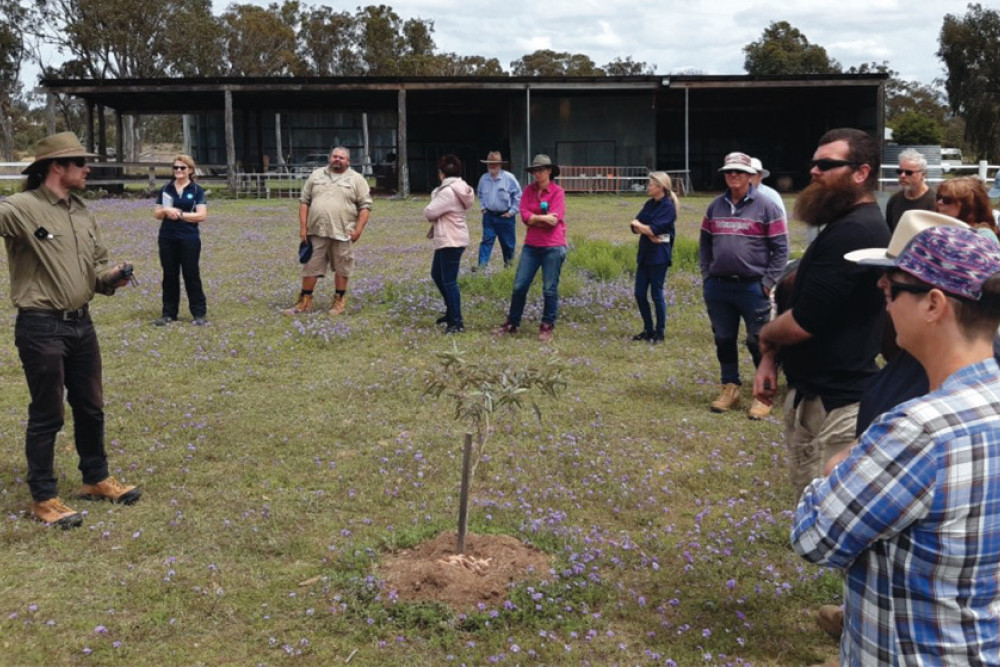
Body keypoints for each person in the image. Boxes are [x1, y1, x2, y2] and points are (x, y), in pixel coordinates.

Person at [791, 224, 1000, 665]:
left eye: (894, 286)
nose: (882, 293)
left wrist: (840, 465)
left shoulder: (919, 432)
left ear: (934, 304)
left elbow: (815, 537)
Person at [0, 132, 142, 528]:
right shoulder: (22, 208)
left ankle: (95, 479)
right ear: (56, 167)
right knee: (47, 413)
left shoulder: (81, 210)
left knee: (91, 406)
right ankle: (44, 498)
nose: (87, 168)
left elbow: (95, 271)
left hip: (82, 324)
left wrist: (111, 277)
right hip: (41, 326)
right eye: (80, 162)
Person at [755, 128, 891, 496]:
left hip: (838, 404)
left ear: (861, 173)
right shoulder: (841, 227)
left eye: (827, 164)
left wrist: (765, 338)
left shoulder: (857, 232)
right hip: (814, 393)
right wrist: (770, 359)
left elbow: (803, 322)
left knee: (828, 513)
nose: (814, 171)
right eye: (814, 163)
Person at [699, 151, 788, 418]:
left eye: (739, 171)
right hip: (719, 286)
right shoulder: (715, 206)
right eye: (729, 172)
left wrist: (768, 282)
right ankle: (730, 387)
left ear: (751, 176)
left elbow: (780, 248)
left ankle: (764, 395)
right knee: (723, 339)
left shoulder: (767, 206)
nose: (733, 176)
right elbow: (705, 243)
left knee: (758, 341)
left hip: (753, 286)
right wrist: (707, 275)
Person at [282, 146, 373, 315]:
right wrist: (303, 228)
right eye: (335, 156)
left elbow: (365, 206)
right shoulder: (316, 175)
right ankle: (304, 302)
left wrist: (358, 231)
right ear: (330, 158)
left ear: (348, 161)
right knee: (310, 267)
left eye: (342, 157)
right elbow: (304, 201)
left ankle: (339, 301)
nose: (337, 159)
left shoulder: (357, 179)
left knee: (342, 268)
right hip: (316, 232)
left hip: (343, 232)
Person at [494, 154, 566, 342]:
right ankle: (512, 322)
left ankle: (547, 325)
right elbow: (525, 216)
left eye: (541, 170)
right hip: (532, 245)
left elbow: (554, 220)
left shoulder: (558, 192)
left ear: (549, 171)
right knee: (519, 286)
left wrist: (536, 219)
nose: (537, 174)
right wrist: (540, 218)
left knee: (549, 288)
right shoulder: (528, 191)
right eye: (535, 171)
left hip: (553, 246)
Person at [152, 154, 208, 326]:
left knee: (191, 274)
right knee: (169, 275)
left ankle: (199, 313)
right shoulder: (166, 189)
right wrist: (166, 212)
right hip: (167, 237)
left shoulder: (197, 190)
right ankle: (169, 313)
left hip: (188, 238)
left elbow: (201, 215)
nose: (178, 171)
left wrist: (181, 214)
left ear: (190, 170)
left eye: (182, 168)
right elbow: (156, 213)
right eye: (175, 168)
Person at [423, 154, 474, 333]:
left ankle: (456, 322)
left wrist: (434, 195)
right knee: (437, 274)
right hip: (452, 239)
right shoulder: (462, 188)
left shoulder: (447, 192)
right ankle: (451, 312)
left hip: (451, 240)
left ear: (442, 173)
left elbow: (429, 212)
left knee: (449, 281)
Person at [628, 171, 678, 343]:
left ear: (660, 187)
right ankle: (648, 329)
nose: (647, 187)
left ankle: (659, 331)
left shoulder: (668, 207)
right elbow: (634, 224)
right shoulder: (649, 204)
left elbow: (654, 229)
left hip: (659, 257)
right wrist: (647, 231)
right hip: (645, 254)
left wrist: (647, 229)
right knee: (640, 293)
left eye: (650, 184)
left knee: (656, 294)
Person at [475, 151, 522, 271]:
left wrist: (512, 212)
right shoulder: (483, 179)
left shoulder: (509, 178)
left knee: (508, 244)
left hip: (505, 217)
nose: (492, 166)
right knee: (486, 241)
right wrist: (483, 207)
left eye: (494, 163)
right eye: (490, 163)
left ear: (500, 165)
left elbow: (518, 196)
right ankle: (481, 267)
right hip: (489, 216)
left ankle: (509, 268)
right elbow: (480, 194)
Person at [883, 148, 935, 231]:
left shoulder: (934, 202)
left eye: (909, 172)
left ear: (923, 175)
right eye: (899, 171)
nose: (902, 176)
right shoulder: (894, 200)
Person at [935, 176, 998, 243]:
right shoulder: (939, 229)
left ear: (967, 204)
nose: (939, 202)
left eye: (947, 200)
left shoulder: (983, 236)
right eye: (939, 197)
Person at [749, 157, 787, 221]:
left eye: (751, 174)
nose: (748, 178)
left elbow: (781, 221)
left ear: (759, 176)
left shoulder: (771, 195)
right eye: (745, 174)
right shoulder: (736, 195)